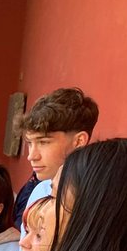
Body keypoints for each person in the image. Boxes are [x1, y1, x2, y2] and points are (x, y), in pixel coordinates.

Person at [12, 87, 99, 231]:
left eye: (43, 142)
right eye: (29, 143)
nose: (31, 156)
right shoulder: (39, 191)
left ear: (79, 141)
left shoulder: (98, 198)